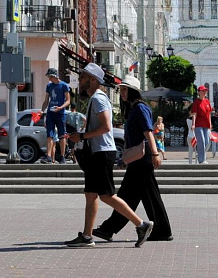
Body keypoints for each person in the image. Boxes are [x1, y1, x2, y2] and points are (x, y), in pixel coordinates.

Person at [64, 63, 153, 248]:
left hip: (102, 153)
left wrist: (81, 136)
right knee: (91, 194)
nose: (80, 81)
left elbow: (105, 127)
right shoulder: (95, 99)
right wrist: (80, 138)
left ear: (93, 80)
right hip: (98, 152)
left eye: (83, 77)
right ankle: (87, 236)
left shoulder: (98, 98)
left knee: (107, 196)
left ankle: (141, 224)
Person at [92, 75, 173, 243]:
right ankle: (161, 230)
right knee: (145, 196)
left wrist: (156, 154)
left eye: (124, 89)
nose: (122, 92)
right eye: (121, 89)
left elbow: (148, 132)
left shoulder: (139, 108)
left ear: (133, 91)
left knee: (127, 194)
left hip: (143, 157)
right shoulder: (134, 108)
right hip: (139, 157)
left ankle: (109, 229)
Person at [42, 67, 70, 164]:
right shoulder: (49, 86)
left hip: (60, 113)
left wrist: (60, 107)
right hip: (50, 112)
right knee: (49, 134)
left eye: (50, 77)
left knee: (62, 135)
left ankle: (62, 156)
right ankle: (48, 156)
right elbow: (46, 100)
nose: (49, 79)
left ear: (55, 76)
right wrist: (42, 111)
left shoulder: (64, 86)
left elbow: (68, 100)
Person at [190, 85, 212, 164]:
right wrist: (193, 124)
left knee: (207, 142)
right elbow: (194, 114)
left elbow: (209, 113)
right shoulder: (196, 102)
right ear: (199, 92)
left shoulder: (207, 101)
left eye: (205, 91)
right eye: (203, 91)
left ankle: (199, 151)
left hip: (206, 124)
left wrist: (210, 123)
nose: (205, 92)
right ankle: (201, 160)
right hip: (198, 124)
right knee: (201, 141)